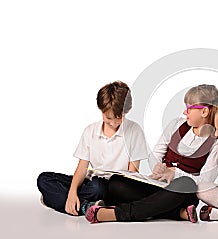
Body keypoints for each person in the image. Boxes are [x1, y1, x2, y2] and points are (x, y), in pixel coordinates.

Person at [85, 84, 218, 223]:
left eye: (189, 108)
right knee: (116, 183)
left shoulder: (216, 143)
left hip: (182, 192)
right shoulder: (176, 124)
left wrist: (175, 174)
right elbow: (155, 155)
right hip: (158, 186)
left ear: (204, 112)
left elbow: (206, 182)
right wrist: (158, 168)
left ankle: (117, 214)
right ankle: (177, 213)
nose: (185, 112)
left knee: (185, 183)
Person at [37, 81, 148, 216]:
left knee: (98, 188)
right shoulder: (90, 131)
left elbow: (133, 174)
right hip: (91, 183)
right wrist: (72, 193)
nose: (113, 123)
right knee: (44, 179)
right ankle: (85, 206)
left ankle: (54, 199)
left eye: (119, 118)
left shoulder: (134, 131)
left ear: (126, 112)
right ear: (101, 111)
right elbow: (82, 168)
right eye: (108, 118)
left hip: (115, 186)